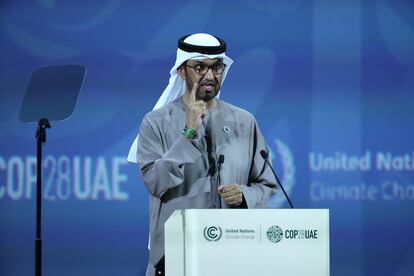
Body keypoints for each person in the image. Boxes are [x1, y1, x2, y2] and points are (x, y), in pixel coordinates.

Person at [128, 33, 277, 276]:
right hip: (176, 256)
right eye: (200, 67)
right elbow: (155, 182)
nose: (210, 76)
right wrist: (188, 133)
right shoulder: (156, 122)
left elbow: (266, 183)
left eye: (216, 67)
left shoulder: (244, 121)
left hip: (234, 255)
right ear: (181, 71)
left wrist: (244, 195)